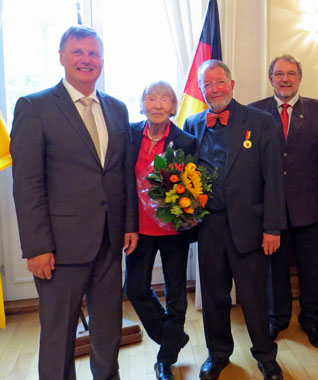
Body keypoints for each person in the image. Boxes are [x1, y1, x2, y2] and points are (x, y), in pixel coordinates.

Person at [10, 26, 138, 380]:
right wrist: (36, 247)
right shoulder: (34, 107)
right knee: (58, 334)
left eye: (93, 53)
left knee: (108, 327)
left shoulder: (117, 108)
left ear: (102, 60)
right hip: (59, 248)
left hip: (110, 243)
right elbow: (27, 184)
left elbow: (123, 174)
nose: (86, 59)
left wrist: (128, 224)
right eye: (78, 52)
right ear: (62, 57)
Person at [183, 59, 287, 380]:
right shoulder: (192, 124)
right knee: (215, 294)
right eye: (207, 85)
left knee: (254, 296)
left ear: (232, 84)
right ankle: (218, 353)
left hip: (250, 227)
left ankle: (266, 356)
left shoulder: (261, 121)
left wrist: (272, 227)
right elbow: (185, 177)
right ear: (201, 91)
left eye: (219, 82)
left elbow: (273, 179)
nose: (214, 89)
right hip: (209, 226)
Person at [249, 54, 318, 347]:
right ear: (270, 79)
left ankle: (313, 321)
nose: (285, 79)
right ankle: (277, 319)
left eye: (291, 74)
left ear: (300, 78)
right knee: (274, 271)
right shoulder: (255, 112)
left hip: (310, 208)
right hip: (271, 211)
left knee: (313, 269)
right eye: (279, 74)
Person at [125, 81, 196, 380]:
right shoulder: (127, 135)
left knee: (176, 294)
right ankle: (172, 337)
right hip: (137, 229)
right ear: (142, 104)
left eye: (164, 99)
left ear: (173, 107)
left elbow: (194, 185)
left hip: (173, 229)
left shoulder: (186, 141)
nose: (157, 104)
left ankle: (165, 360)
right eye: (150, 98)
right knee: (135, 288)